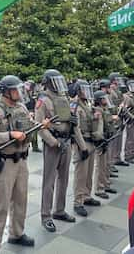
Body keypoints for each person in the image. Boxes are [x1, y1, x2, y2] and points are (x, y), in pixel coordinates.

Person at [0, 75, 47, 254]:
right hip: (4, 163)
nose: (21, 92)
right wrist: (10, 135)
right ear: (7, 91)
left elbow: (29, 125)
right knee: (0, 205)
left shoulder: (21, 107)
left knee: (20, 200)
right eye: (17, 89)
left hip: (21, 160)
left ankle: (16, 233)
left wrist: (41, 125)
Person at [35, 69, 85, 232]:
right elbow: (39, 126)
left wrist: (81, 144)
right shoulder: (43, 100)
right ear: (48, 82)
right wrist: (54, 142)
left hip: (67, 141)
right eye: (55, 80)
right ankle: (46, 215)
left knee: (63, 179)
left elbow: (72, 123)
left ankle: (59, 210)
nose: (59, 83)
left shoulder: (63, 98)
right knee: (49, 181)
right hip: (53, 144)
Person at [71, 80, 101, 217]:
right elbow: (75, 128)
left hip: (90, 141)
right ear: (78, 91)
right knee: (80, 175)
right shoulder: (75, 106)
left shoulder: (87, 104)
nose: (86, 92)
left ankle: (86, 196)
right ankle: (78, 202)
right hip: (81, 142)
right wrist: (82, 147)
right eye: (83, 89)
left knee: (88, 172)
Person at [92, 90, 118, 198]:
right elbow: (100, 125)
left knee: (106, 164)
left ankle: (105, 183)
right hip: (101, 140)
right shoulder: (97, 110)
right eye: (103, 99)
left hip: (107, 138)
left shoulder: (104, 109)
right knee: (100, 165)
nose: (105, 100)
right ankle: (99, 188)